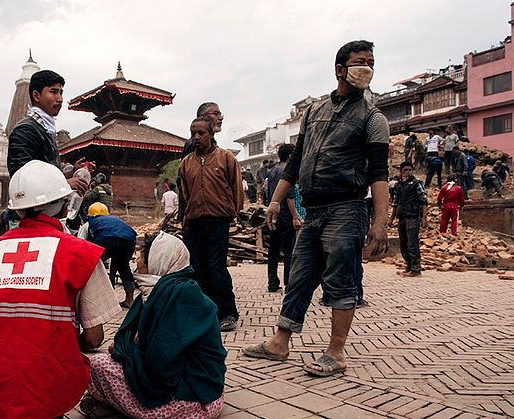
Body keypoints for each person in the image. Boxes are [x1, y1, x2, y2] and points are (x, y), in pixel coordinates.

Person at [243, 40, 390, 377]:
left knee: (341, 281)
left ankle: (336, 352)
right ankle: (281, 342)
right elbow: (295, 162)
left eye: (370, 62)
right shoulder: (314, 112)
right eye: (358, 62)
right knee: (299, 277)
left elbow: (380, 174)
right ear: (340, 69)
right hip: (314, 211)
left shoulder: (373, 118)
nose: (365, 67)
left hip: (348, 208)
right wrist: (276, 200)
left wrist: (380, 222)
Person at [0, 160, 120, 419]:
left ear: (17, 210)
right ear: (64, 206)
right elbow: (94, 338)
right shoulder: (80, 254)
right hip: (49, 385)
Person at [82, 231, 226, 419]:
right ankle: (117, 405)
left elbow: (160, 367)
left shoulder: (178, 295)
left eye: (142, 255)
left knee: (96, 365)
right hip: (206, 391)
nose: (137, 261)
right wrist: (127, 350)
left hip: (193, 401)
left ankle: (125, 406)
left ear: (159, 259)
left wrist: (125, 352)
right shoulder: (163, 290)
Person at [180, 116, 243, 332]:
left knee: (216, 266)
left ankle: (228, 312)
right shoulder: (186, 163)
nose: (196, 137)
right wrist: (187, 218)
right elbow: (185, 195)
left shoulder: (226, 158)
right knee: (199, 267)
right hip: (196, 221)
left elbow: (236, 188)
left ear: (211, 134)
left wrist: (233, 213)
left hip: (219, 220)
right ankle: (208, 312)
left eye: (201, 133)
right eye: (193, 133)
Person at [6, 69, 87, 196]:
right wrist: (65, 184)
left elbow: (49, 174)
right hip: (33, 212)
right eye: (53, 92)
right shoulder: (25, 131)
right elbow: (22, 180)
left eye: (61, 93)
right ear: (36, 96)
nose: (60, 98)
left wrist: (71, 173)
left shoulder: (45, 129)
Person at [81, 202, 137, 308]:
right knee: (123, 266)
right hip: (128, 239)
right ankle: (129, 300)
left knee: (97, 267)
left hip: (105, 240)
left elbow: (80, 242)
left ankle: (103, 300)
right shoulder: (115, 220)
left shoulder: (89, 223)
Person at [265, 144, 300, 293]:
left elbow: (267, 192)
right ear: (291, 156)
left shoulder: (271, 170)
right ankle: (289, 283)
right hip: (285, 214)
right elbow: (290, 197)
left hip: (274, 215)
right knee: (289, 251)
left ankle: (272, 283)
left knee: (273, 251)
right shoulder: (288, 171)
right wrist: (295, 217)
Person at [390, 161, 427, 277]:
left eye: (410, 170)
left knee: (412, 243)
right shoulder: (398, 186)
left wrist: (424, 218)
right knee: (403, 244)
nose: (408, 172)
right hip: (402, 217)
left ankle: (416, 269)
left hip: (413, 216)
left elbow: (424, 201)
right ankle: (409, 266)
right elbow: (396, 203)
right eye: (405, 170)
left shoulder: (416, 184)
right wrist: (391, 218)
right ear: (401, 171)